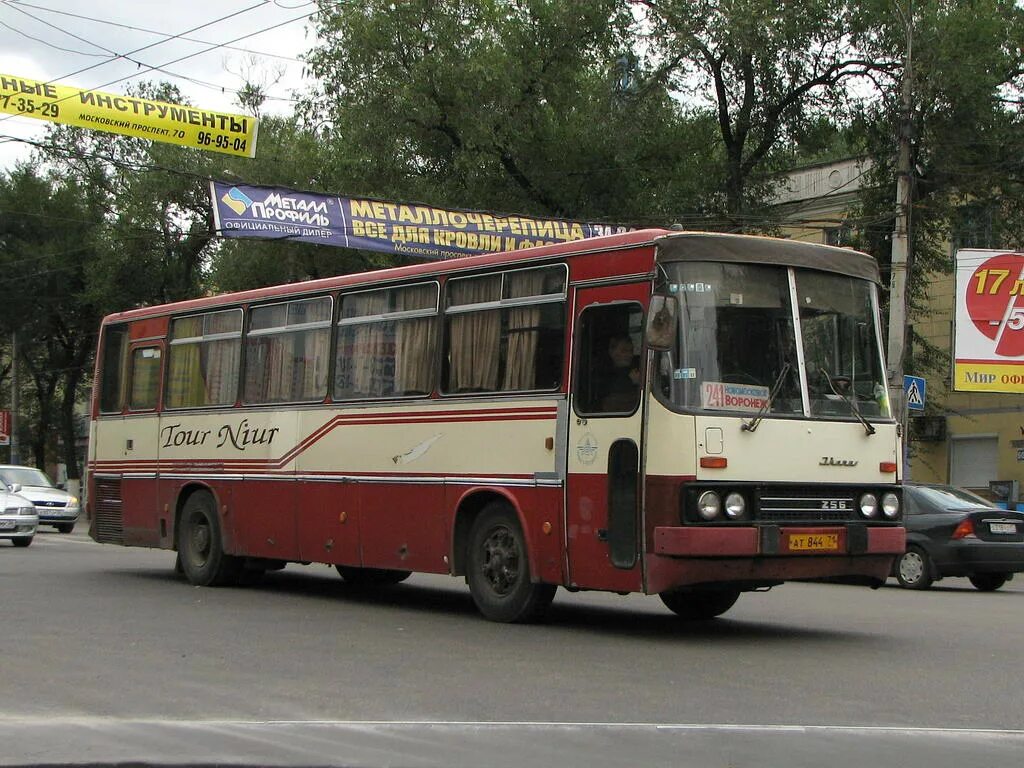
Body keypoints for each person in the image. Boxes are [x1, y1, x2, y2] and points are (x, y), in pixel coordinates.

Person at [599, 334, 640, 411]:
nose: (628, 355)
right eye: (624, 350)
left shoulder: (637, 367)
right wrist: (630, 381)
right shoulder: (604, 374)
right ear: (612, 351)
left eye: (631, 351)